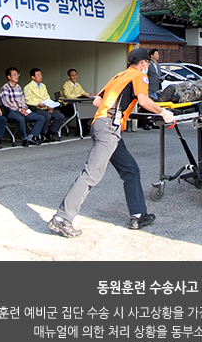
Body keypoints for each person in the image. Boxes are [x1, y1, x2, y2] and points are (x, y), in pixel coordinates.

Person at [48, 48, 175, 238]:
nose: (147, 67)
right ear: (143, 63)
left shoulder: (118, 76)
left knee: (130, 170)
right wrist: (164, 113)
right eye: (147, 64)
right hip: (109, 129)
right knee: (92, 174)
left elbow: (97, 101)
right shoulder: (139, 76)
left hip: (102, 125)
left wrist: (122, 110)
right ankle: (62, 219)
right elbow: (143, 100)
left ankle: (138, 215)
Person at [0, 67, 45, 147]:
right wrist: (20, 109)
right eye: (14, 75)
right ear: (9, 77)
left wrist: (24, 108)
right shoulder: (5, 88)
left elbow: (23, 100)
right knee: (21, 118)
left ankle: (31, 137)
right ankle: (24, 138)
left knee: (41, 118)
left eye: (17, 74)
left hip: (22, 110)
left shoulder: (19, 87)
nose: (17, 76)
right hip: (11, 111)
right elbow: (7, 103)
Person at [23, 68, 64, 142]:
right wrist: (37, 103)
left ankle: (51, 133)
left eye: (41, 74)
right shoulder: (28, 87)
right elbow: (27, 100)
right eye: (38, 75)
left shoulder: (43, 86)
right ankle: (43, 134)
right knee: (47, 116)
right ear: (33, 77)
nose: (40, 76)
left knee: (60, 117)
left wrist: (50, 107)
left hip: (46, 107)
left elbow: (47, 97)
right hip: (36, 108)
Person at [59, 69, 94, 134]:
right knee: (79, 109)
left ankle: (83, 127)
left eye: (75, 75)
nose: (75, 77)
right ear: (69, 77)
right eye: (72, 75)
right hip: (67, 106)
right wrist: (79, 95)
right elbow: (69, 96)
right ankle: (82, 128)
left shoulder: (77, 84)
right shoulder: (66, 85)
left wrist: (89, 94)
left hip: (76, 105)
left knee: (87, 109)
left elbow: (82, 92)